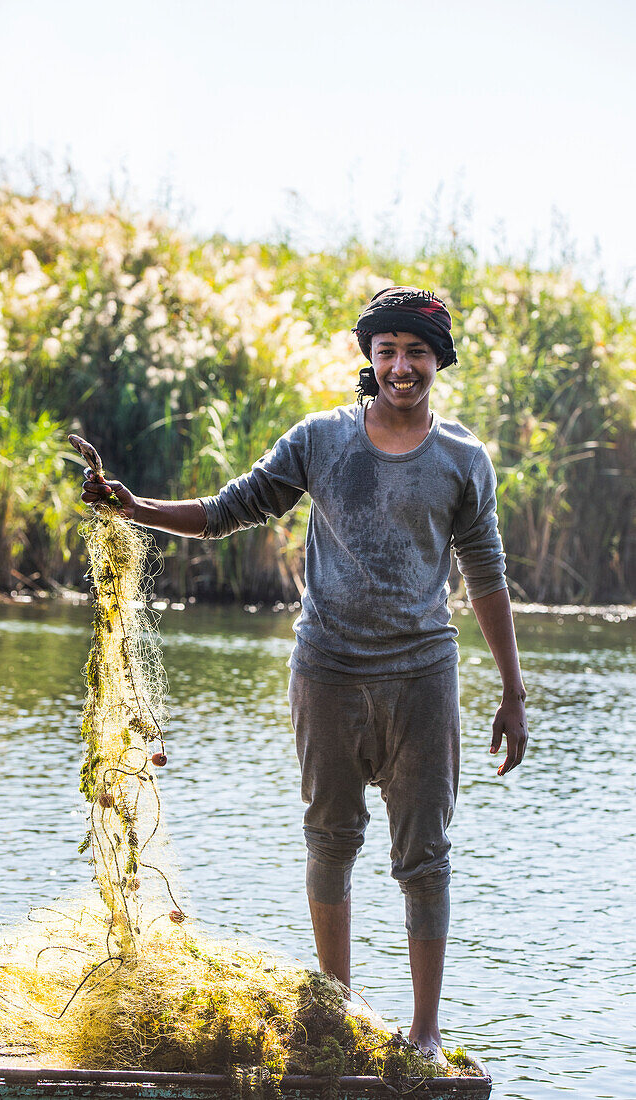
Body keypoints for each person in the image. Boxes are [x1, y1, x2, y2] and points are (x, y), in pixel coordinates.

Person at [81, 285, 528, 1065]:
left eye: (416, 352)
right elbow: (233, 507)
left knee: (424, 856)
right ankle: (342, 1015)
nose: (401, 366)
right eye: (387, 351)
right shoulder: (321, 440)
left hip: (423, 674)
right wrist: (135, 508)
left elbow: (486, 572)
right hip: (326, 669)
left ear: (438, 361)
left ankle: (425, 1032)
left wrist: (514, 692)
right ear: (369, 357)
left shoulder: (462, 459)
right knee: (330, 838)